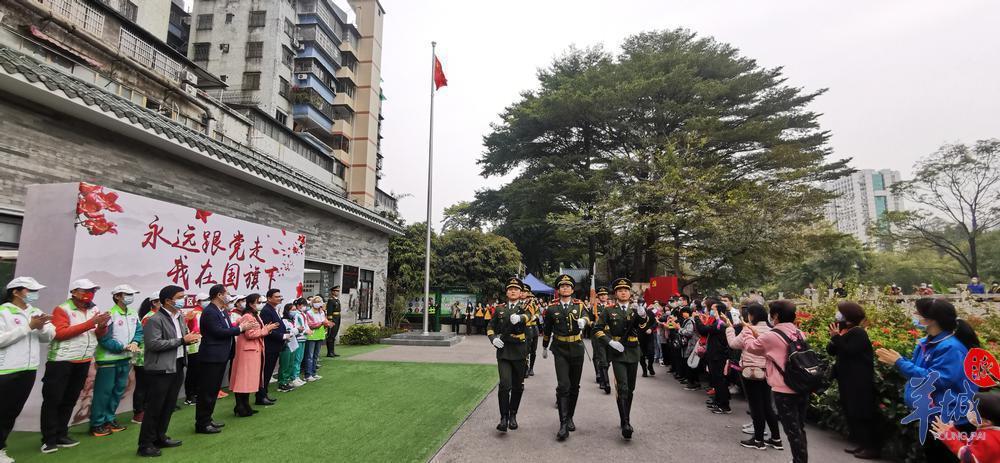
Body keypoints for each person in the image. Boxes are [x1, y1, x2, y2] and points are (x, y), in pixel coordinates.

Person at [876, 297, 981, 462]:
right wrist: (900, 363)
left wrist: (900, 363)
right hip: (930, 413)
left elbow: (937, 379)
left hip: (949, 417)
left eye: (918, 313)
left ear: (931, 320)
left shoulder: (951, 348)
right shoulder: (927, 342)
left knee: (943, 457)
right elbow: (919, 372)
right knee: (932, 454)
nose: (915, 315)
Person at [40, 278, 111, 454]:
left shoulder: (94, 309)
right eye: (85, 290)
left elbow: (99, 334)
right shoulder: (62, 309)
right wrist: (91, 323)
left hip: (83, 360)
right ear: (74, 292)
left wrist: (102, 326)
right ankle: (49, 439)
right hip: (61, 361)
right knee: (53, 400)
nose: (90, 294)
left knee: (70, 399)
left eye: (92, 290)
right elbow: (60, 333)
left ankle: (62, 434)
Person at [741, 300, 810, 463]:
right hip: (801, 385)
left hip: (784, 389)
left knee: (792, 430)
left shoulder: (771, 336)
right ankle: (800, 459)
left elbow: (751, 347)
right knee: (799, 428)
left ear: (776, 316)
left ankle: (799, 461)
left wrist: (747, 331)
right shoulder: (799, 332)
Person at [137, 285, 201, 457]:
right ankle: (145, 444)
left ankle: (160, 436)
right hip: (160, 368)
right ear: (167, 300)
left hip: (177, 364)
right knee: (155, 407)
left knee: (169, 405)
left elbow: (182, 338)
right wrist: (182, 340)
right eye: (180, 297)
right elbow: (153, 344)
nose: (183, 300)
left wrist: (189, 339)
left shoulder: (179, 316)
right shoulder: (155, 319)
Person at [0, 277, 54, 462]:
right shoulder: (3, 312)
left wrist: (41, 327)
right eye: (30, 290)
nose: (34, 294)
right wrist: (29, 326)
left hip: (28, 369)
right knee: (2, 410)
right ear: (15, 292)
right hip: (6, 370)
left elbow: (49, 336)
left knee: (11, 411)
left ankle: (0, 448)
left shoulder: (35, 312)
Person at [591, 278, 651, 439]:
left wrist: (643, 315)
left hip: (633, 351)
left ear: (630, 293)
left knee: (630, 388)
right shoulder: (609, 311)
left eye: (626, 290)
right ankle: (625, 422)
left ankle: (625, 416)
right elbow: (597, 330)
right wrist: (610, 342)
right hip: (618, 352)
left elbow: (644, 327)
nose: (623, 292)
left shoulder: (635, 310)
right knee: (623, 387)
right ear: (616, 294)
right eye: (620, 290)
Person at [826, 301, 880, 459]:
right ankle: (862, 444)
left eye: (840, 313)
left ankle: (871, 447)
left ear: (848, 315)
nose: (838, 315)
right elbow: (833, 350)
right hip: (848, 380)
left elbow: (850, 351)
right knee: (852, 412)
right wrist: (835, 337)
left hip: (858, 381)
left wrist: (838, 338)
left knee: (861, 413)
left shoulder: (859, 333)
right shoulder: (847, 331)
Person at [725, 302, 782, 450]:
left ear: (752, 315)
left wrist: (730, 329)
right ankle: (776, 439)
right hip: (768, 372)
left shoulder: (748, 330)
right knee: (767, 405)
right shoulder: (772, 330)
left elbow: (733, 344)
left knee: (756, 406)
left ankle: (758, 440)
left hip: (751, 372)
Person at [90, 284, 143, 437]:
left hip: (125, 359)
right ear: (117, 296)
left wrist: (135, 343)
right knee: (103, 393)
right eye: (127, 294)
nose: (130, 297)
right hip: (108, 360)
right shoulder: (110, 315)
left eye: (131, 294)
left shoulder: (133, 314)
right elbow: (104, 339)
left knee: (118, 391)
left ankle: (110, 419)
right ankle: (97, 423)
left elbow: (138, 331)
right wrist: (122, 347)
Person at [541, 274, 589, 441]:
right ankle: (562, 424)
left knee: (574, 386)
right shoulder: (552, 308)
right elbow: (547, 329)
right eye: (562, 286)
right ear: (558, 289)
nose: (565, 288)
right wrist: (544, 347)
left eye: (568, 286)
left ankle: (570, 417)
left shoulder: (579, 305)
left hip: (576, 348)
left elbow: (589, 317)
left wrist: (584, 320)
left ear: (572, 289)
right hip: (560, 349)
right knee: (563, 385)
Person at [196, 284, 248, 434]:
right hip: (211, 356)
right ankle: (202, 423)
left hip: (221, 355)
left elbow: (226, 328)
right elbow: (218, 332)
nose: (229, 296)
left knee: (212, 391)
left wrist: (237, 326)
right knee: (207, 391)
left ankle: (207, 419)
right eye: (227, 293)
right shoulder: (210, 312)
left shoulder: (222, 311)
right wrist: (240, 329)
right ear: (219, 295)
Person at [488, 277, 529, 432]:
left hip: (519, 351)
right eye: (510, 289)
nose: (513, 291)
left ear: (520, 292)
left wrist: (520, 317)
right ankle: (503, 417)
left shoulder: (526, 307)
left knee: (518, 387)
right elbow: (490, 326)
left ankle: (513, 414)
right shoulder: (499, 309)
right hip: (504, 351)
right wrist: (493, 339)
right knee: (505, 385)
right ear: (507, 292)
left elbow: (531, 317)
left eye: (516, 289)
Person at [231, 294, 277, 417]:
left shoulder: (254, 315)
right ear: (251, 303)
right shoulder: (247, 316)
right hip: (247, 351)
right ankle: (241, 406)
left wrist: (267, 328)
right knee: (243, 379)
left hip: (254, 351)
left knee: (248, 380)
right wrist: (266, 330)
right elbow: (249, 334)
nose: (261, 304)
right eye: (258, 302)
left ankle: (244, 405)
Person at [932, 390, 1000, 463]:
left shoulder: (987, 438)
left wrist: (949, 439)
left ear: (986, 422)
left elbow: (968, 458)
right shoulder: (993, 433)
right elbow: (973, 445)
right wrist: (953, 433)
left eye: (973, 410)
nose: (969, 411)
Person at [696, 297, 732, 414]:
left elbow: (703, 330)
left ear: (719, 312)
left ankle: (724, 405)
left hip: (718, 355)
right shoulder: (717, 322)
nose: (710, 311)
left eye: (712, 309)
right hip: (714, 354)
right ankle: (717, 401)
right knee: (716, 380)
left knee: (719, 380)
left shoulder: (720, 324)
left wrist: (697, 318)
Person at [131, 297, 161, 424]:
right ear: (154, 303)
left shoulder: (157, 316)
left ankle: (147, 410)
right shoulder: (149, 317)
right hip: (143, 356)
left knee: (150, 386)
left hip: (152, 357)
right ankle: (138, 412)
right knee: (142, 386)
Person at [257, 289, 286, 406]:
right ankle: (261, 396)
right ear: (269, 298)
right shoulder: (266, 311)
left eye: (280, 296)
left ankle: (264, 394)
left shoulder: (274, 309)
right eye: (276, 296)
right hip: (269, 346)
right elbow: (268, 330)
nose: (279, 298)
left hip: (275, 345)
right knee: (266, 372)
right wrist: (282, 336)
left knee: (268, 372)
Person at [182, 293, 208, 406]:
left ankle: (197, 393)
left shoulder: (204, 312)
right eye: (204, 300)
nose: (207, 301)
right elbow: (191, 328)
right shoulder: (193, 313)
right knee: (193, 372)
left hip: (202, 345)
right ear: (198, 302)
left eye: (208, 299)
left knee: (200, 372)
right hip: (193, 346)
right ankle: (190, 396)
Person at [589, 287, 611, 393]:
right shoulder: (594, 308)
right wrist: (593, 323)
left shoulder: (612, 307)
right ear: (598, 296)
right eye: (601, 295)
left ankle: (603, 374)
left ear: (607, 296)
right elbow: (589, 320)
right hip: (597, 334)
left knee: (608, 357)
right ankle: (600, 376)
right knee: (598, 355)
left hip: (609, 334)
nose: (603, 296)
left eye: (604, 294)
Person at [278, 303, 303, 391]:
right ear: (287, 311)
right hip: (286, 344)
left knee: (290, 363)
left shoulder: (292, 320)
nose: (294, 311)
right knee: (285, 364)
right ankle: (282, 383)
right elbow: (287, 331)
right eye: (292, 310)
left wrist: (299, 330)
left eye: (295, 309)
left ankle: (287, 381)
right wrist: (297, 330)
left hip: (293, 343)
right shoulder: (284, 320)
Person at [303, 296, 329, 382]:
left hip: (320, 335)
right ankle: (308, 374)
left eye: (320, 301)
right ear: (312, 303)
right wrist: (321, 323)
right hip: (311, 336)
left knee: (315, 356)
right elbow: (310, 325)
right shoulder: (309, 313)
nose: (318, 303)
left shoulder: (322, 312)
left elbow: (325, 322)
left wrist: (327, 323)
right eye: (316, 301)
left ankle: (314, 373)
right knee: (309, 356)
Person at [521, 284, 540, 378]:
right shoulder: (520, 303)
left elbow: (538, 312)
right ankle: (525, 367)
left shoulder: (533, 303)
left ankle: (531, 367)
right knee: (525, 350)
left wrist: (535, 316)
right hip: (525, 328)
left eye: (526, 292)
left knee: (533, 350)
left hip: (533, 327)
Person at [324, 287, 341, 357]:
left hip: (337, 318)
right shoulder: (331, 300)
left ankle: (332, 351)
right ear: (332, 292)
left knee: (334, 335)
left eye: (338, 291)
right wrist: (330, 321)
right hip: (333, 319)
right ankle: (329, 352)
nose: (337, 292)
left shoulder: (337, 300)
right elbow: (329, 311)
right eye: (336, 291)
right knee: (330, 335)